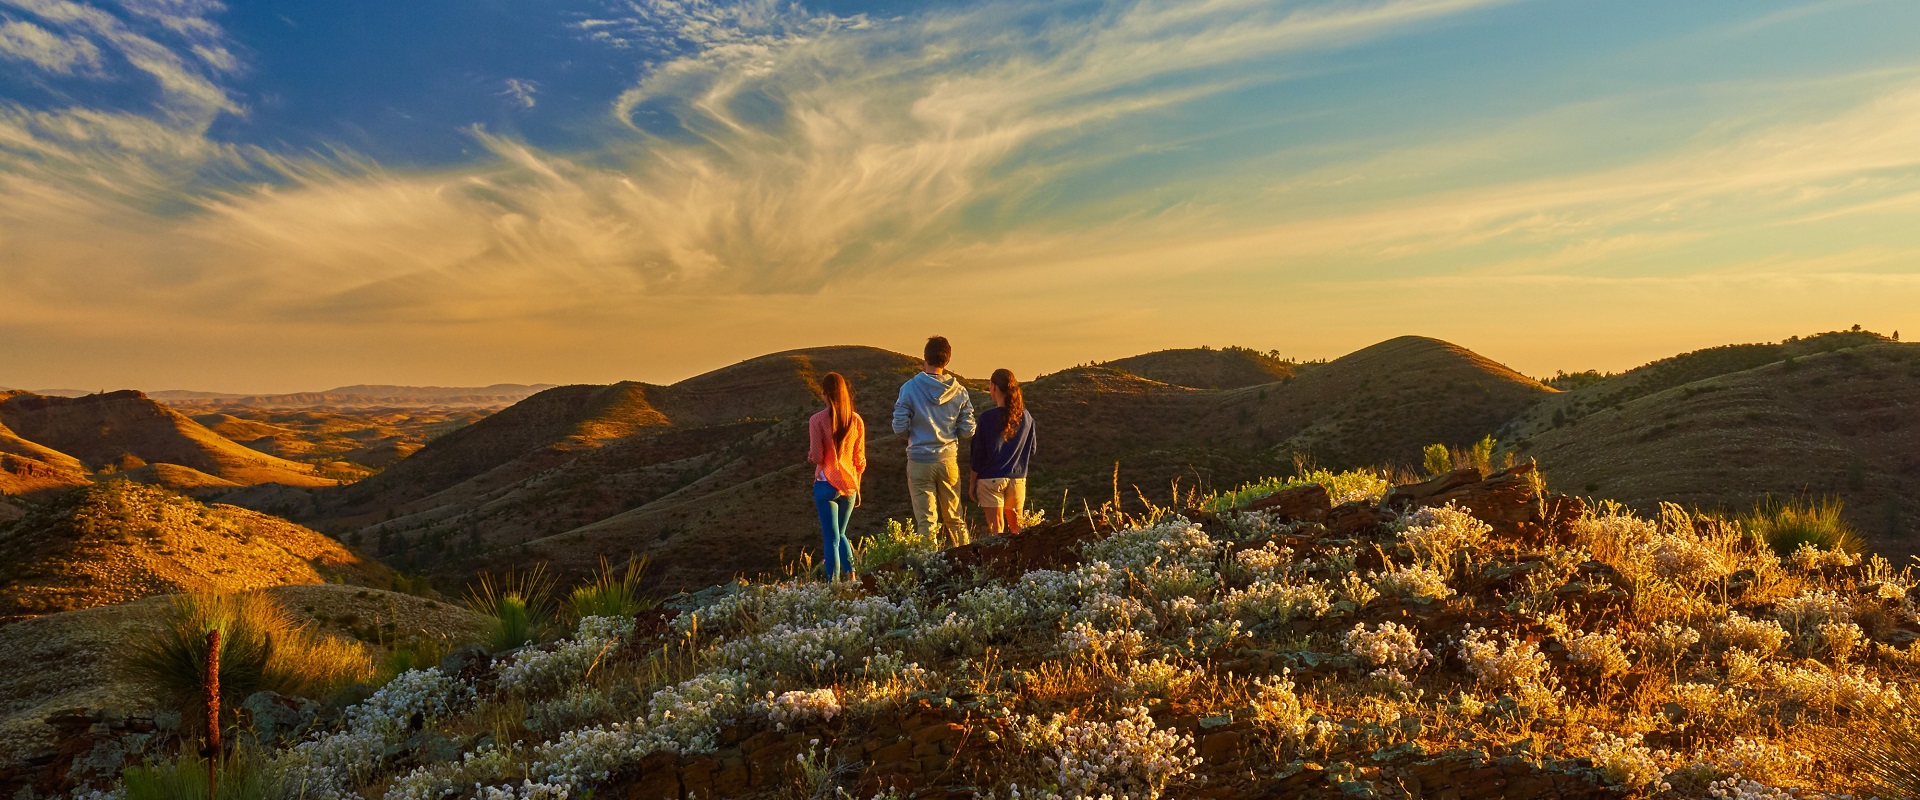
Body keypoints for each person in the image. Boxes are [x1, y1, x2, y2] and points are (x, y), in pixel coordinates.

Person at [893, 336, 975, 547]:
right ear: (947, 360)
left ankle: (929, 568)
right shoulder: (960, 391)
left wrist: (914, 434)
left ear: (925, 357)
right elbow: (968, 430)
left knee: (926, 522)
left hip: (919, 460)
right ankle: (967, 560)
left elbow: (899, 427)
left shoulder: (909, 389)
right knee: (955, 519)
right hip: (948, 460)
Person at [808, 372, 866, 581]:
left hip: (825, 485)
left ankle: (833, 584)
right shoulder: (856, 421)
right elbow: (860, 460)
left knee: (831, 538)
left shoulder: (817, 420)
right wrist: (857, 486)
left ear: (824, 393)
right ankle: (851, 577)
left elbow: (817, 456)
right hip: (849, 486)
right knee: (841, 534)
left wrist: (810, 457)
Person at [970, 368, 1036, 535]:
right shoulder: (1026, 417)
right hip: (1017, 478)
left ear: (993, 387)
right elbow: (1032, 449)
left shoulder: (987, 418)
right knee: (1017, 530)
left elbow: (978, 455)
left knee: (996, 531)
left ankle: (999, 560)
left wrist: (972, 484)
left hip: (990, 478)